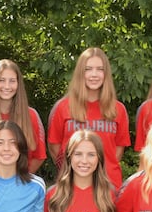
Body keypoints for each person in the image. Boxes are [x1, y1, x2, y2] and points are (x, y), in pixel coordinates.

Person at [47, 47, 130, 189]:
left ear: (106, 74)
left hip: (108, 185)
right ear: (80, 73)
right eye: (88, 69)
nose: (94, 74)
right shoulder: (63, 107)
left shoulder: (118, 109)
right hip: (71, 184)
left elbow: (117, 151)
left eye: (100, 69)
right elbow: (55, 148)